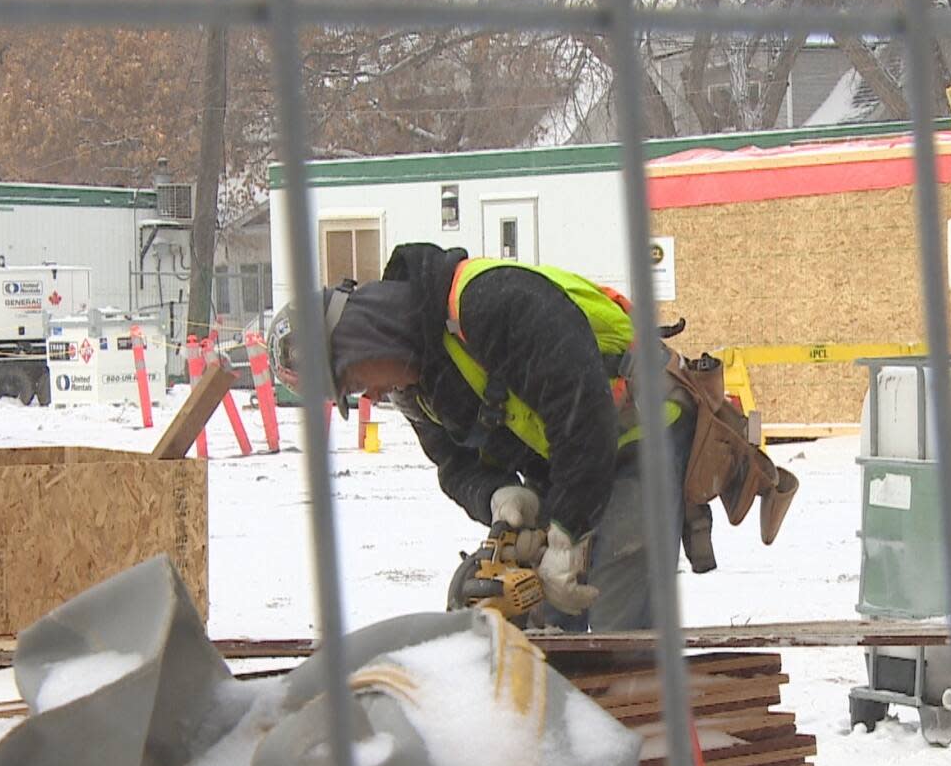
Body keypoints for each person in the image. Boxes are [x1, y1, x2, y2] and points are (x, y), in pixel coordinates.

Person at [268, 242, 795, 631]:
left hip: (643, 431)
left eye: (355, 380)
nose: (367, 396)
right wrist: (497, 494)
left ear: (363, 340)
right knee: (537, 609)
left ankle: (639, 732)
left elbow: (580, 409)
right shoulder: (415, 384)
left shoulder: (488, 301)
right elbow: (455, 468)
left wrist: (567, 530)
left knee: (615, 585)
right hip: (573, 460)